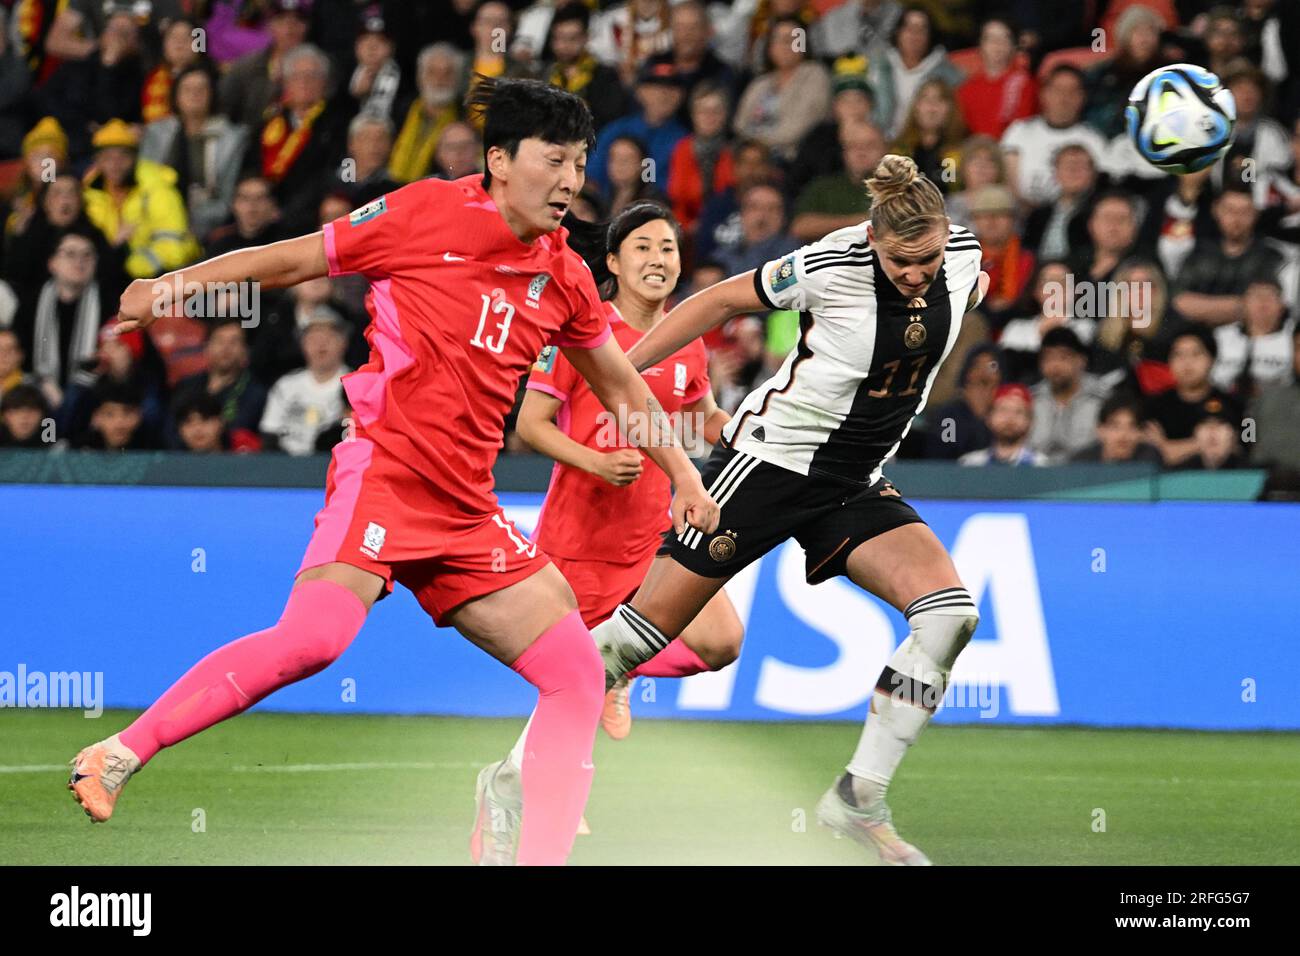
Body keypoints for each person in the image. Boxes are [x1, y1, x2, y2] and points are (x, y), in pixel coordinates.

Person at [67, 78, 718, 869]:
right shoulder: (424, 213)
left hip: (467, 509)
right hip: (385, 474)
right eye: (556, 160)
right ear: (501, 160)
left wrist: (682, 472)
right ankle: (123, 751)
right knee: (314, 642)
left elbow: (619, 383)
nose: (572, 180)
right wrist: (175, 286)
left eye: (580, 162)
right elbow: (300, 259)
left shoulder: (566, 274)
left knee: (578, 673)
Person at [494, 154, 991, 865]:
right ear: (874, 240)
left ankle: (858, 797)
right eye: (901, 260)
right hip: (767, 465)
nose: (916, 273)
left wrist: (958, 292)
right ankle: (517, 776)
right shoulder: (831, 264)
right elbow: (718, 303)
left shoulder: (962, 256)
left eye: (928, 259)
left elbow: (970, 281)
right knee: (635, 639)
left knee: (950, 615)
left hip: (852, 481)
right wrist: (622, 373)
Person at [474, 202, 743, 862]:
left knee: (721, 640)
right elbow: (529, 427)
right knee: (572, 686)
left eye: (670, 249)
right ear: (614, 264)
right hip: (583, 539)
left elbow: (703, 417)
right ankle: (508, 793)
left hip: (656, 535)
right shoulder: (581, 333)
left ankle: (614, 683)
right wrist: (594, 460)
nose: (659, 259)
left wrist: (754, 431)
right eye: (644, 248)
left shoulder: (690, 339)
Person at [1027, 326, 1108, 462]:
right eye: (1048, 358)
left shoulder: (1103, 399)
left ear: (1082, 360)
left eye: (1063, 357)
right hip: (1036, 476)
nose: (1055, 365)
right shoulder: (1030, 400)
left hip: (1088, 475)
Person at [959, 383, 1049, 466]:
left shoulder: (1041, 465)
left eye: (1018, 412)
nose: (1010, 418)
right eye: (1003, 410)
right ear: (989, 418)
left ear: (1030, 421)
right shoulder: (971, 464)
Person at [1069, 393, 1162, 464]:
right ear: (1100, 430)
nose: (1124, 434)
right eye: (1115, 427)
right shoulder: (1081, 463)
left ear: (1140, 433)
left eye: (1132, 427)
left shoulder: (1150, 459)